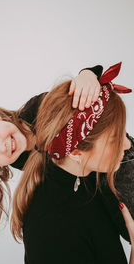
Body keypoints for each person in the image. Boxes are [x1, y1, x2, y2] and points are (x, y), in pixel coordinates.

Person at [11, 63, 133, 263]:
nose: (125, 145)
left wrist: (87, 74)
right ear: (76, 152)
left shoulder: (88, 174)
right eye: (114, 140)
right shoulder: (50, 230)